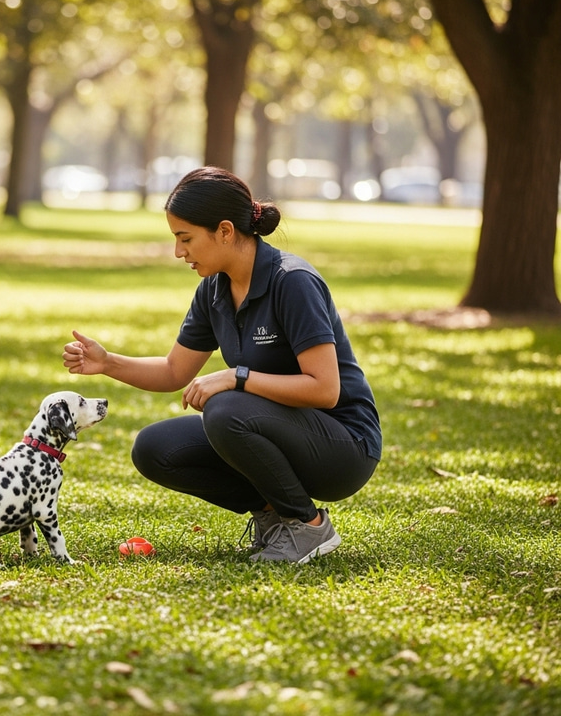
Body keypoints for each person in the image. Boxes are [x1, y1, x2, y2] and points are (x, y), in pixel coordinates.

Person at [62, 166, 381, 564]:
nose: (180, 252)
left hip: (343, 448)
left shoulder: (292, 281)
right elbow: (174, 372)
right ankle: (273, 518)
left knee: (226, 408)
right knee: (156, 448)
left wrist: (237, 376)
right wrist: (108, 363)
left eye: (186, 239)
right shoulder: (213, 290)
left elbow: (324, 389)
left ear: (225, 231)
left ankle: (308, 527)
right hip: (282, 432)